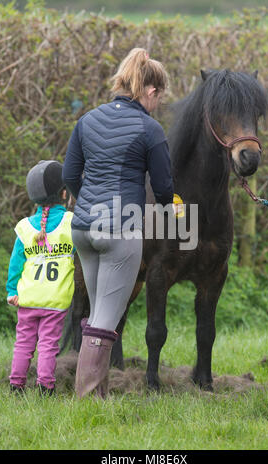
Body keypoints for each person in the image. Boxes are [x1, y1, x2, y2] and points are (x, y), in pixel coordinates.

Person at [63, 47, 175, 399]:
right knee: (105, 318)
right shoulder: (150, 128)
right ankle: (89, 400)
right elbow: (163, 188)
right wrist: (170, 214)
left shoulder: (87, 120)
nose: (158, 103)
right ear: (151, 91)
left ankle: (97, 391)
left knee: (98, 311)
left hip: (82, 229)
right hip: (119, 231)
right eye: (160, 96)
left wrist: (91, 205)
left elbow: (69, 175)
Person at [7, 160, 75, 395]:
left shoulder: (24, 227)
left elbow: (15, 264)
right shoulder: (70, 223)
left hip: (28, 299)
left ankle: (16, 385)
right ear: (64, 193)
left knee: (23, 344)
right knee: (48, 345)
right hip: (55, 302)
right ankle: (45, 387)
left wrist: (12, 291)